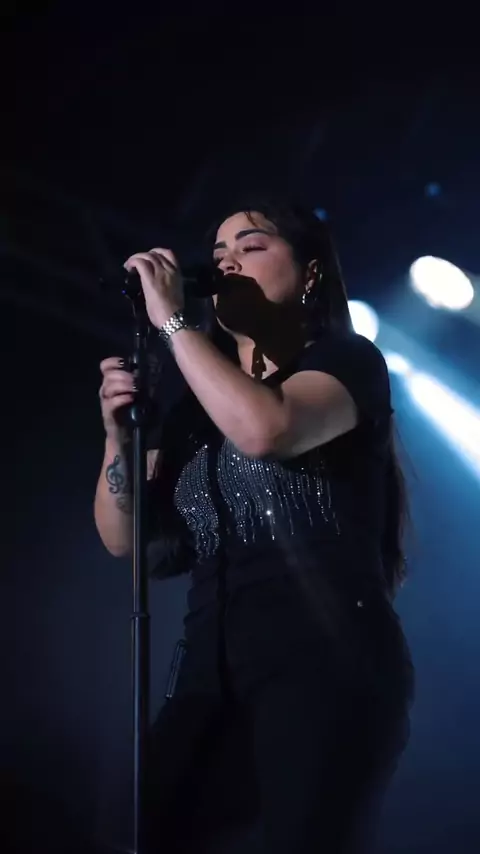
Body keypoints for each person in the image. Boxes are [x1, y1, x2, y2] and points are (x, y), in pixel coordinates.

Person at [94, 201, 414, 853]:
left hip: (326, 664)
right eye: (218, 255)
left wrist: (174, 323)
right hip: (209, 672)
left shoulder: (347, 362)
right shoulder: (192, 413)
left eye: (251, 245)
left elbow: (267, 430)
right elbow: (124, 539)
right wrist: (116, 436)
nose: (228, 263)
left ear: (311, 273)